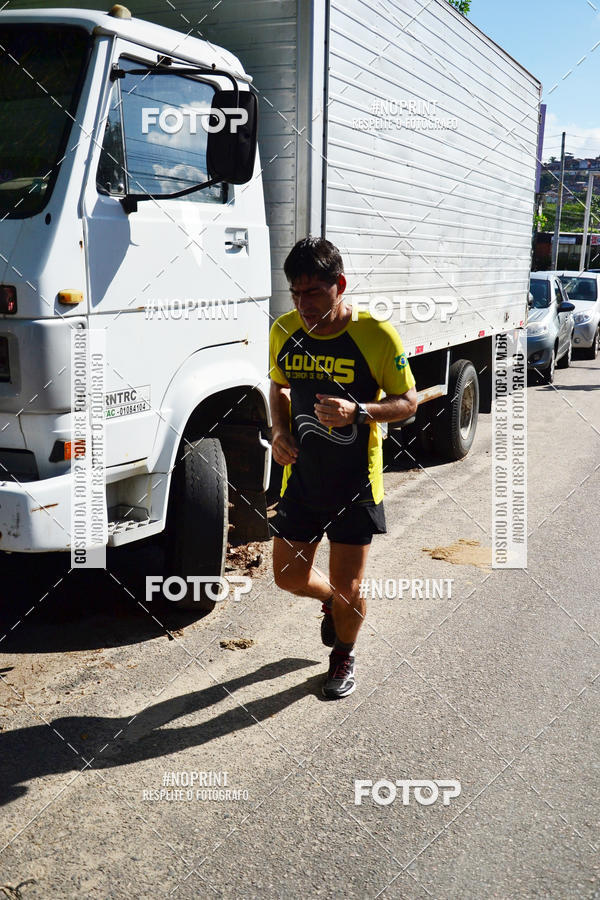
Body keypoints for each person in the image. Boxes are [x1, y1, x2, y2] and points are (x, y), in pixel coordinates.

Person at [269, 237, 417, 699]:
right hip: (302, 479)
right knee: (288, 577)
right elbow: (277, 389)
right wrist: (278, 433)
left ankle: (343, 656)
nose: (302, 303)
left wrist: (360, 412)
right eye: (295, 292)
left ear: (340, 286)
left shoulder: (376, 334)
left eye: (313, 292)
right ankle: (332, 603)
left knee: (350, 584)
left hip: (355, 482)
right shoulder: (284, 330)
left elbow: (408, 402)